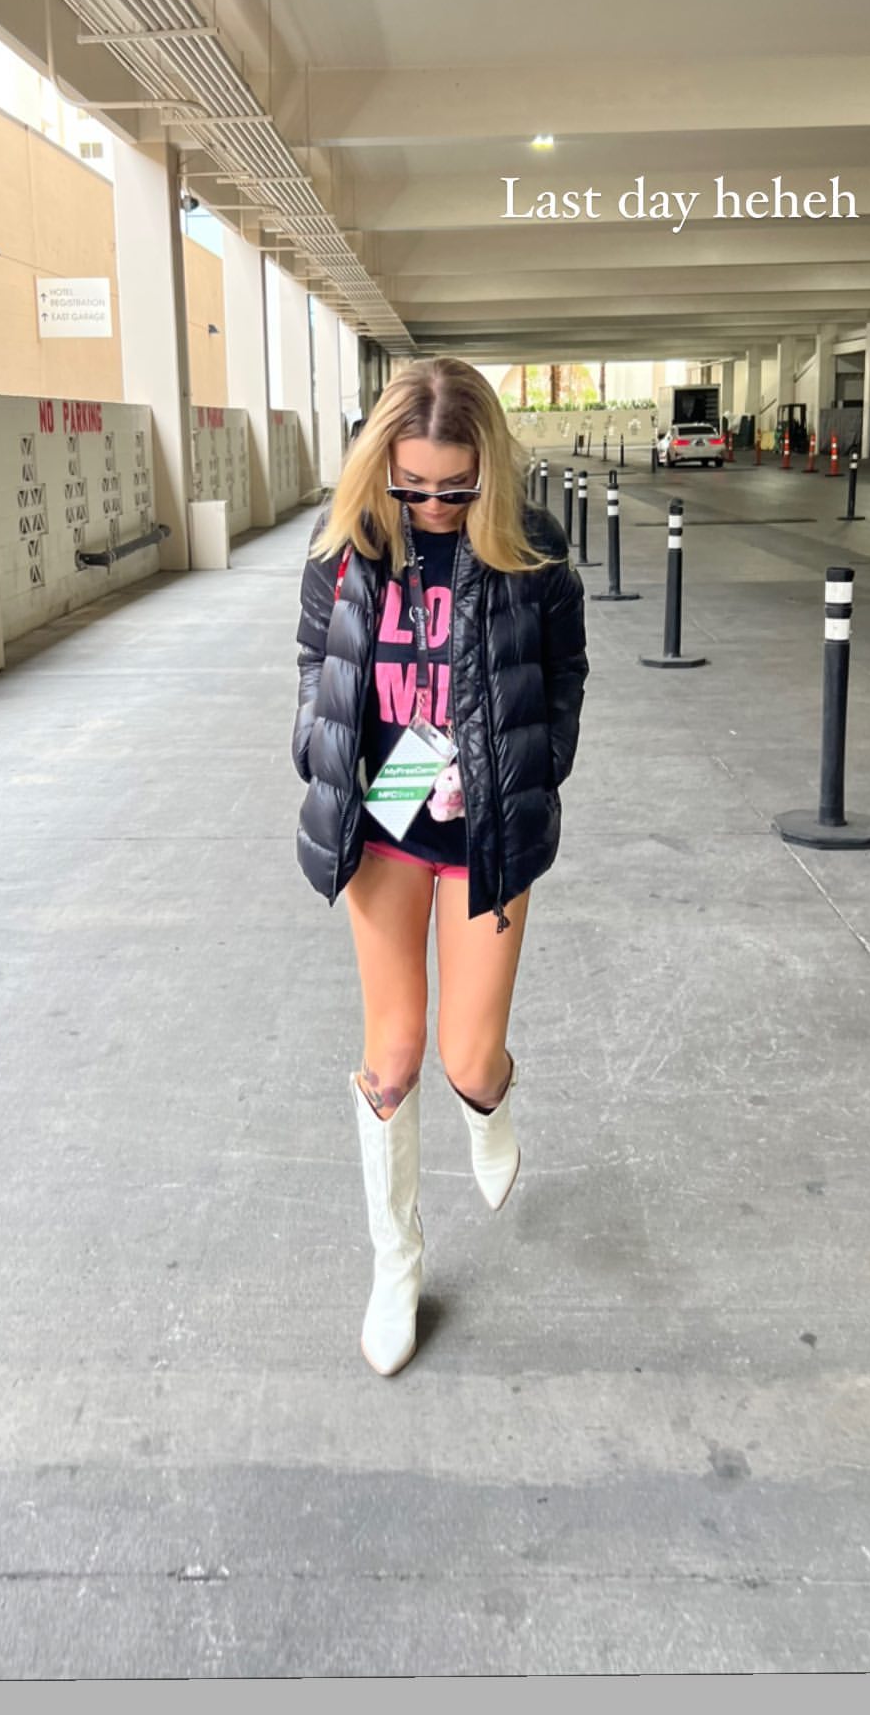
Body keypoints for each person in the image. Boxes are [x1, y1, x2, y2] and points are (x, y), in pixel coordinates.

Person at [291, 356, 589, 1376]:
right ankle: (397, 1264)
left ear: (487, 472)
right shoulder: (344, 549)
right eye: (411, 483)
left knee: (467, 1058)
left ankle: (492, 1102)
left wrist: (531, 763)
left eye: (454, 489)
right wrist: (319, 748)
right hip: (383, 818)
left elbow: (563, 674)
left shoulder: (532, 554)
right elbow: (315, 667)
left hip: (485, 829)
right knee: (394, 1055)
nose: (430, 506)